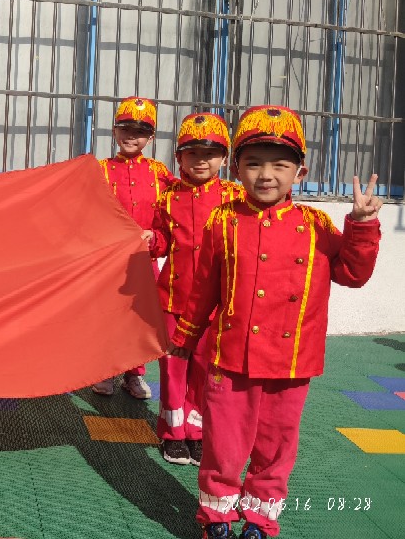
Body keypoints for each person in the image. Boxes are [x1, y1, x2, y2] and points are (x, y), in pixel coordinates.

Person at [168, 105, 382, 539]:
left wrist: (362, 225)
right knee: (224, 447)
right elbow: (204, 288)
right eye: (254, 164)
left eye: (280, 165)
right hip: (231, 360)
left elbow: (353, 275)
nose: (266, 175)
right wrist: (186, 336)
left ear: (300, 173)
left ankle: (260, 520)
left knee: (276, 448)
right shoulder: (223, 220)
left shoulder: (316, 225)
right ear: (236, 169)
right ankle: (217, 519)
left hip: (291, 362)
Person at [149, 112, 243, 467]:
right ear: (179, 157)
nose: (201, 160)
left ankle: (196, 431)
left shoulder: (236, 197)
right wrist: (149, 240)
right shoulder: (167, 197)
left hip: (217, 304)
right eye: (192, 153)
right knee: (173, 368)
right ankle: (173, 435)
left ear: (225, 159)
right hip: (173, 300)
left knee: (205, 368)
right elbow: (162, 241)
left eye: (210, 153)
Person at [94, 96, 175, 398]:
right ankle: (106, 370)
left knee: (140, 320)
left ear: (150, 138)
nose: (131, 137)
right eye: (125, 129)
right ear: (114, 131)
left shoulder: (160, 173)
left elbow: (173, 216)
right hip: (108, 261)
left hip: (144, 261)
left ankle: (134, 374)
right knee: (109, 317)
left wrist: (156, 238)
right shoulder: (98, 170)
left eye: (140, 132)